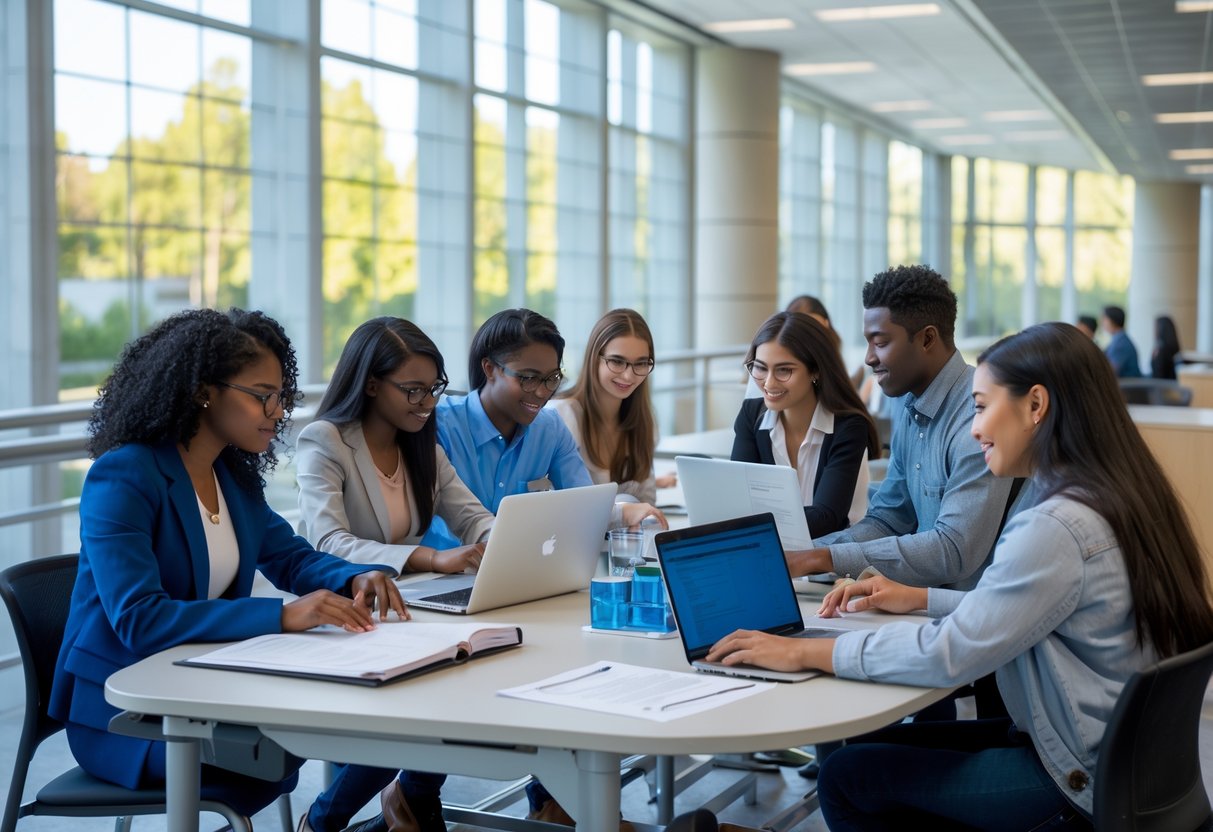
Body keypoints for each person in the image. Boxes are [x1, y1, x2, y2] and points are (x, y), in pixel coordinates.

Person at [706, 322, 1213, 829]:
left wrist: (801, 650)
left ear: (1035, 406)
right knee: (867, 753)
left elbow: (949, 654)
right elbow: (1026, 611)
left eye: (981, 405)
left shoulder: (1054, 524)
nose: (973, 429)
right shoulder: (1114, 496)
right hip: (1121, 763)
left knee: (847, 777)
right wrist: (920, 598)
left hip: (1071, 774)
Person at [49, 308, 405, 821]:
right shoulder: (124, 477)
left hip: (206, 688)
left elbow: (288, 555)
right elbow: (138, 618)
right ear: (203, 391)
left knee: (363, 715)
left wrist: (351, 576)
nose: (277, 411)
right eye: (262, 395)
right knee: (296, 740)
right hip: (127, 714)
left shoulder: (231, 477)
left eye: (281, 396)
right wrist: (281, 615)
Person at [433, 307, 666, 826]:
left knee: (584, 654)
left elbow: (585, 500)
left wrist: (628, 510)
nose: (541, 391)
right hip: (443, 587)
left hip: (521, 585)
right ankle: (393, 797)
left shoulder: (547, 431)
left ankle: (558, 802)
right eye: (529, 377)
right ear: (490, 368)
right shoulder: (441, 426)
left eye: (550, 378)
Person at [295, 317, 496, 832]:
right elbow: (328, 542)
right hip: (341, 610)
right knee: (413, 717)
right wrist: (430, 558)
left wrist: (504, 540)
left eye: (434, 388)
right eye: (412, 389)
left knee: (464, 682)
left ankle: (415, 796)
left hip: (408, 608)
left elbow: (473, 517)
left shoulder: (423, 444)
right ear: (370, 384)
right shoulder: (326, 441)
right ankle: (322, 822)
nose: (426, 401)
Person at [785, 265, 1016, 590]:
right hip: (918, 606)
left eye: (879, 343)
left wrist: (823, 559)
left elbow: (954, 551)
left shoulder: (977, 418)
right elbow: (888, 518)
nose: (868, 358)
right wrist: (811, 553)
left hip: (965, 616)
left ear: (927, 339)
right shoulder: (912, 407)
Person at [732, 311, 880, 537]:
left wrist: (752, 522)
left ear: (815, 370)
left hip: (834, 556)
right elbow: (738, 500)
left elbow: (827, 518)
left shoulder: (848, 427)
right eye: (761, 367)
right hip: (774, 549)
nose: (769, 383)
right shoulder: (751, 415)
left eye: (784, 370)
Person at [551, 308, 674, 504]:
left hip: (623, 534)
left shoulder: (643, 422)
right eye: (617, 361)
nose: (628, 376)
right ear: (594, 358)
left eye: (640, 363)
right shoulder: (562, 415)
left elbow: (647, 502)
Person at [1102, 304, 1142, 378]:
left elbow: (1110, 371)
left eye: (1104, 319)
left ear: (1112, 320)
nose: (1102, 322)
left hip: (1127, 386)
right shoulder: (1120, 339)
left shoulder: (1121, 344)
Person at [1151, 314, 1181, 380]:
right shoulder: (1171, 349)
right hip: (1166, 386)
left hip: (1160, 387)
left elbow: (1158, 375)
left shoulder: (1162, 351)